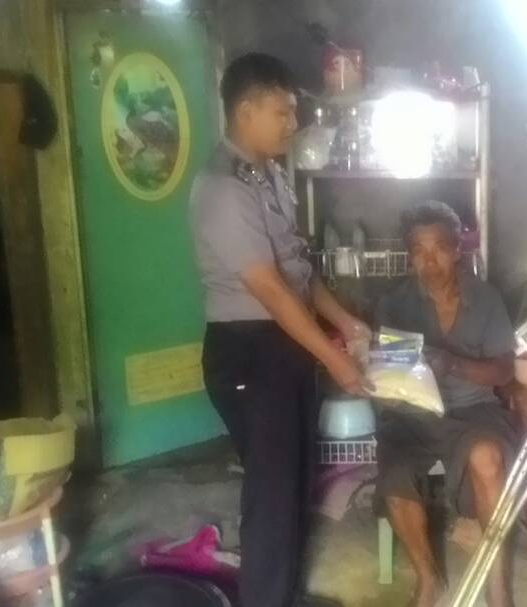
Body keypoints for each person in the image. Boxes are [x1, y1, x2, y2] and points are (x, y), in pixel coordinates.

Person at [189, 53, 369, 607]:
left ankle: (284, 596)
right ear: (245, 111)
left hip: (283, 344)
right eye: (282, 112)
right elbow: (269, 289)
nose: (294, 123)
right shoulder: (222, 188)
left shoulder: (267, 175)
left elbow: (297, 271)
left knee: (293, 483)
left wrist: (344, 321)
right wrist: (334, 359)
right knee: (270, 496)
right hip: (247, 349)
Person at [375, 201, 518, 607]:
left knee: (488, 456)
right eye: (418, 251)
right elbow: (390, 377)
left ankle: (497, 584)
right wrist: (381, 384)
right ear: (409, 257)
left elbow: (504, 371)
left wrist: (454, 363)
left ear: (457, 250)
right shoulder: (395, 304)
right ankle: (429, 579)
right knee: (395, 473)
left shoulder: (486, 300)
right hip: (413, 415)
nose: (429, 261)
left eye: (438, 248)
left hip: (474, 411)